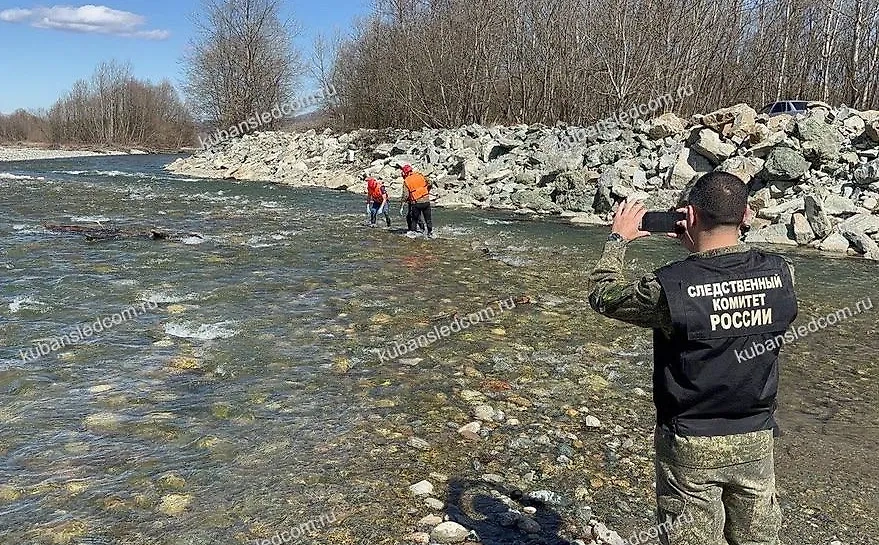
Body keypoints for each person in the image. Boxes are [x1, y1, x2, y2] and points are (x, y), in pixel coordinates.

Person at [588, 171, 798, 545]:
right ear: (747, 214)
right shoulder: (783, 273)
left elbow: (604, 295)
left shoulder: (670, 286)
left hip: (690, 441)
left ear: (690, 215)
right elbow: (731, 269)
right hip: (756, 434)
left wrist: (617, 239)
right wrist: (702, 241)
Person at [399, 164, 433, 238]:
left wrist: (402, 205)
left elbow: (405, 195)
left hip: (416, 203)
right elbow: (430, 182)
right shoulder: (420, 175)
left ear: (405, 173)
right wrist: (427, 191)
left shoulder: (406, 181)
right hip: (426, 201)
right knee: (428, 220)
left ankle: (413, 234)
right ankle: (430, 233)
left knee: (414, 219)